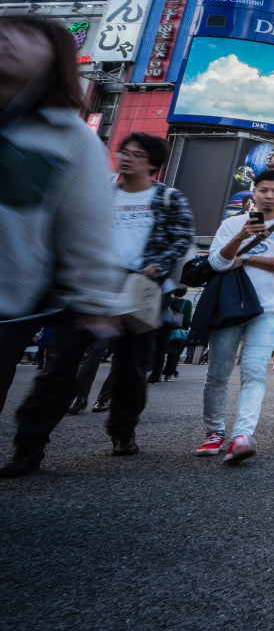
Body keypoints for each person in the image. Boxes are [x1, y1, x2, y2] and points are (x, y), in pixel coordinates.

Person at [0, 75, 170, 476]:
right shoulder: (101, 188)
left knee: (131, 371)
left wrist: (155, 266)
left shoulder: (167, 198)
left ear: (151, 163)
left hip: (135, 294)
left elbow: (176, 242)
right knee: (59, 367)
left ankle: (122, 431)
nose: (125, 157)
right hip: (79, 286)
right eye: (123, 151)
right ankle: (29, 448)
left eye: (135, 153)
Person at [195, 168, 274, 465]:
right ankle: (214, 431)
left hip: (267, 310)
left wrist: (245, 258)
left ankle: (241, 435)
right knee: (217, 373)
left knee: (254, 374)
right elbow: (218, 262)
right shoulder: (232, 223)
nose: (269, 196)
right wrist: (241, 236)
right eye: (263, 190)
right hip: (228, 306)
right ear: (253, 192)